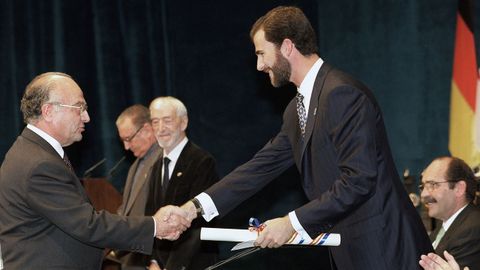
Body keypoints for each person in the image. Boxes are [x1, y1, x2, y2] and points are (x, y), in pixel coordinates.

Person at [181, 6, 433, 270]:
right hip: (351, 249)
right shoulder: (295, 109)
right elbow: (258, 168)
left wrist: (290, 223)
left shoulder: (341, 94)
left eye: (261, 53)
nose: (259, 65)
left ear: (287, 46)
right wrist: (193, 208)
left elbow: (359, 180)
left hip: (384, 248)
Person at [0, 72, 190, 269]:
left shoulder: (34, 153)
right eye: (79, 107)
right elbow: (87, 224)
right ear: (48, 111)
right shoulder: (38, 163)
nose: (87, 117)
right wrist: (155, 225)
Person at [146, 96, 219, 270]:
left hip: (194, 263)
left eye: (167, 121)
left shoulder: (202, 161)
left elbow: (199, 222)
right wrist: (154, 261)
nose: (161, 129)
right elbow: (151, 217)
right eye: (155, 122)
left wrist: (173, 266)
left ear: (183, 122)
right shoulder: (156, 166)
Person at [113, 104, 162, 269]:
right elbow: (127, 211)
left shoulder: (164, 160)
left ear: (147, 130)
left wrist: (157, 260)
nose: (126, 147)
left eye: (128, 139)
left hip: (150, 261)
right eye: (123, 141)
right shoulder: (136, 165)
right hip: (131, 260)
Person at [419, 157, 480, 269]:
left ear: (459, 188)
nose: (423, 194)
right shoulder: (444, 226)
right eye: (423, 186)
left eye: (432, 185)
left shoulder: (473, 229)